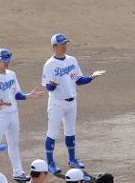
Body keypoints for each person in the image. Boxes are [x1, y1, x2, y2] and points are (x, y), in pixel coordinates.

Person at [42, 33, 106, 173]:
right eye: (62, 44)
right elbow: (48, 87)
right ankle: (50, 163)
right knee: (52, 133)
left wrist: (91, 77)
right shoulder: (49, 64)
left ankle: (72, 159)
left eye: (65, 43)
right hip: (56, 103)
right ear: (54, 46)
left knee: (70, 131)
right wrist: (52, 85)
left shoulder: (72, 60)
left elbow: (78, 80)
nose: (65, 46)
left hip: (72, 102)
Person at [0, 48, 45, 181]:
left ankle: (18, 172)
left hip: (13, 114)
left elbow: (17, 94)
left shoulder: (11, 74)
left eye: (8, 61)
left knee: (14, 143)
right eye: (4, 61)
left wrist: (28, 96)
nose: (7, 64)